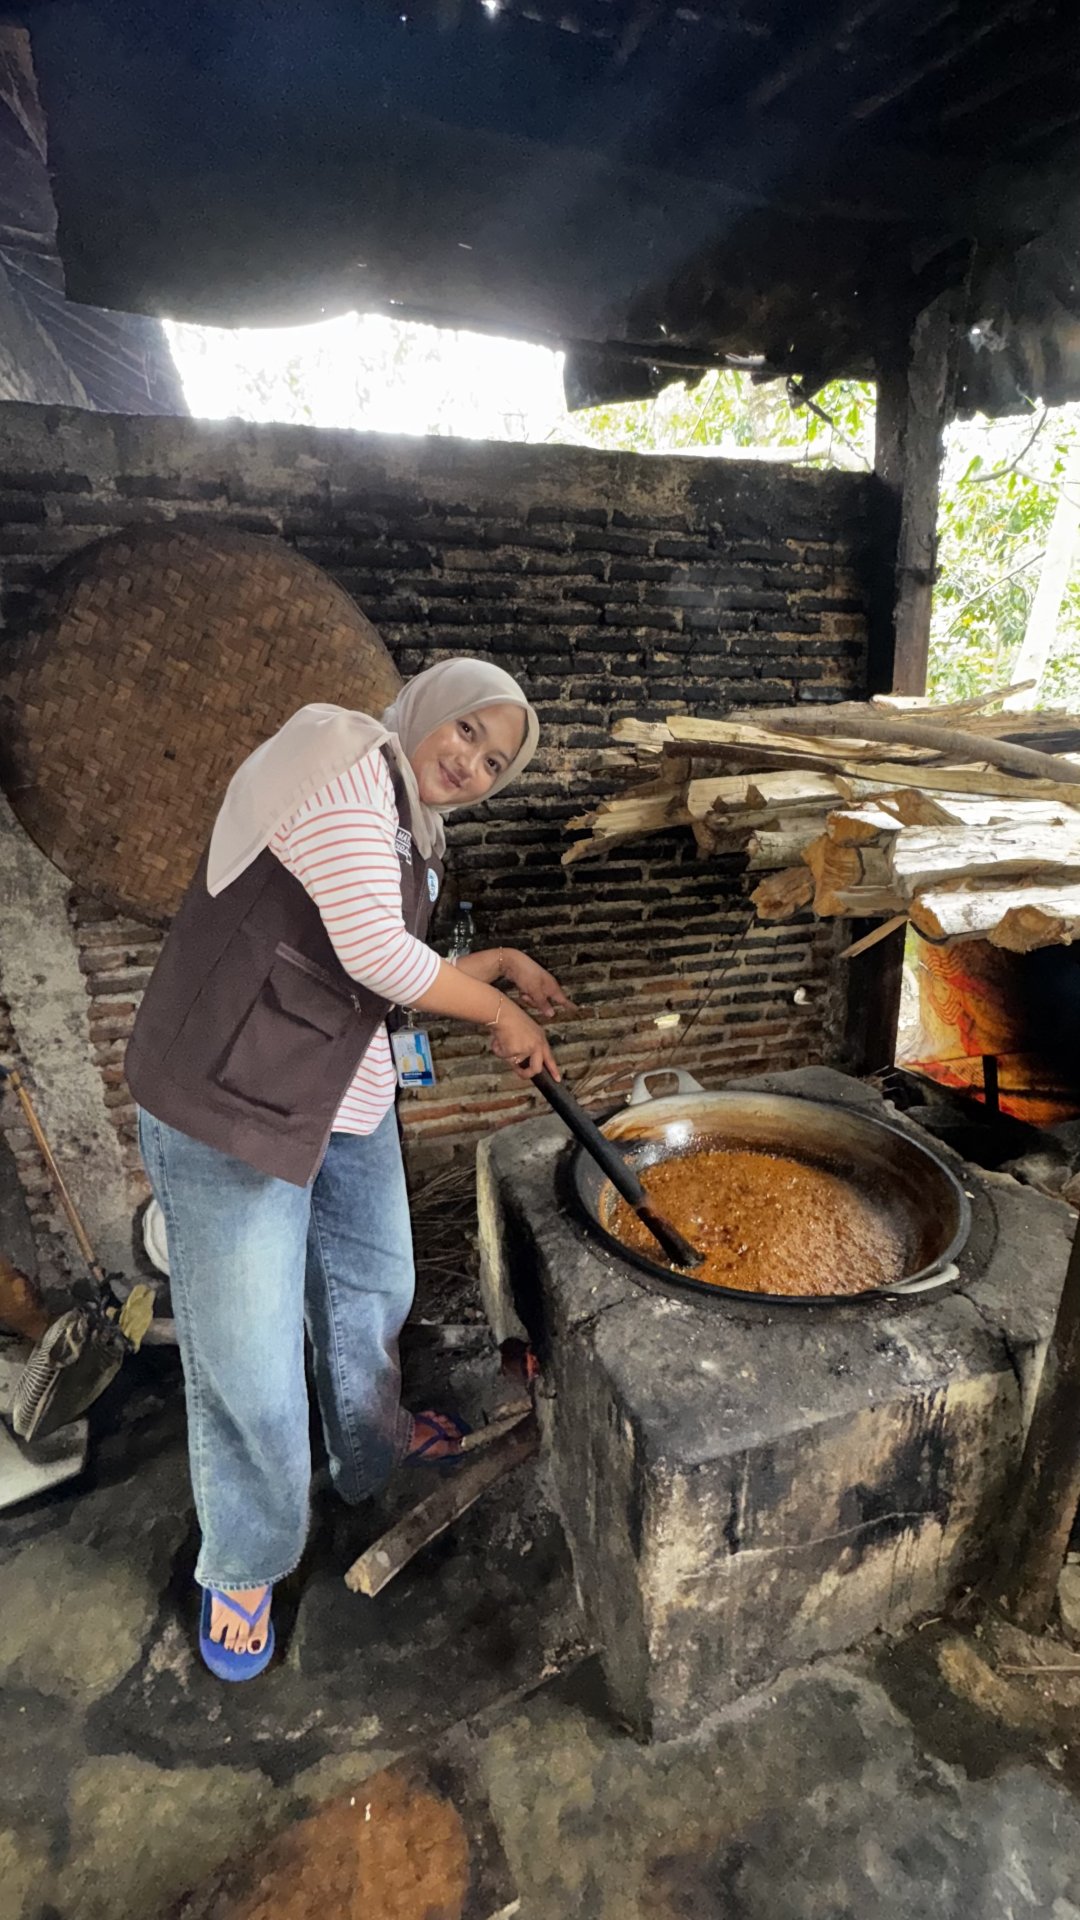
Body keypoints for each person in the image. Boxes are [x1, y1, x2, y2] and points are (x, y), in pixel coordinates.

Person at [127, 658, 572, 1681]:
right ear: (427, 705)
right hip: (232, 1104)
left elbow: (366, 966)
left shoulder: (415, 824)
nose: (472, 764)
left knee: (374, 1289)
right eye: (467, 731)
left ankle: (369, 1450)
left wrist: (495, 968)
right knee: (249, 1363)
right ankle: (245, 1560)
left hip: (343, 1101)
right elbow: (373, 948)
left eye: (495, 762)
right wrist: (498, 1012)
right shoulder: (339, 755)